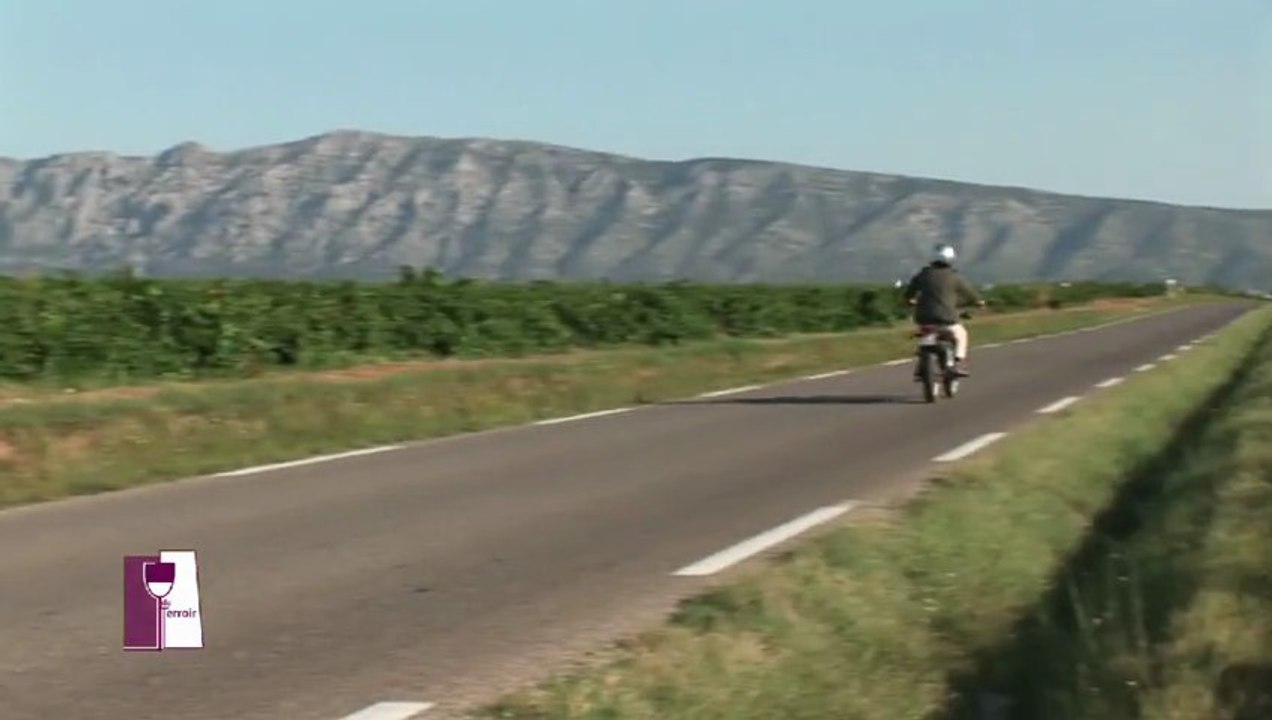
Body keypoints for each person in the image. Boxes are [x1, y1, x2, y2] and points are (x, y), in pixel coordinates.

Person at [902, 243, 986, 377]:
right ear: (951, 258)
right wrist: (979, 302)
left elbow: (908, 294)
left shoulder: (923, 274)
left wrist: (911, 301)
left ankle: (921, 364)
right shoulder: (954, 276)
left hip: (924, 318)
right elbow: (970, 293)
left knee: (924, 336)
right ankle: (956, 362)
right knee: (961, 334)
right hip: (947, 319)